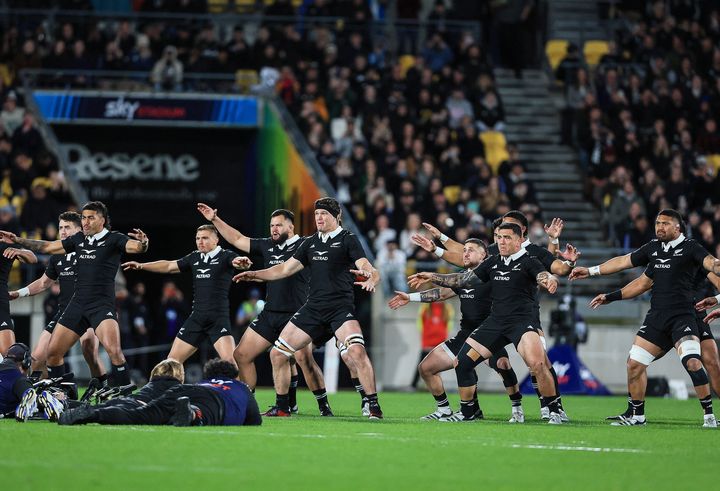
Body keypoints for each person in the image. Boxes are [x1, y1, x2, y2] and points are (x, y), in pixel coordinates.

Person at [416, 211, 576, 420]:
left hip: (523, 322)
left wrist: (550, 279)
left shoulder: (530, 259)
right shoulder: (492, 261)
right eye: (499, 237)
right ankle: (467, 413)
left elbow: (544, 273)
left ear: (520, 238)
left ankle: (553, 409)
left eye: (507, 237)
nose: (501, 241)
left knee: (538, 364)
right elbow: (463, 278)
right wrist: (433, 274)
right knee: (462, 362)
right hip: (495, 322)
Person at [234, 197, 384, 419]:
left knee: (356, 352)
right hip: (313, 309)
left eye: (323, 214)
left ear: (336, 216)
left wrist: (373, 275)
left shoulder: (347, 239)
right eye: (316, 214)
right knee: (277, 353)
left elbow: (366, 265)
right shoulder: (310, 243)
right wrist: (255, 275)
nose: (319, 218)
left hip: (339, 309)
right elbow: (283, 269)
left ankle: (373, 405)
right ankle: (283, 407)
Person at [572, 209, 720, 427]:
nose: (659, 227)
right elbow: (635, 274)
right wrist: (596, 277)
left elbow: (712, 267)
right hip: (659, 317)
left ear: (678, 227)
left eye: (665, 223)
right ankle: (636, 414)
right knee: (634, 364)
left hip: (691, 313)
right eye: (657, 222)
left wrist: (717, 298)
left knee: (709, 363)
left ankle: (709, 415)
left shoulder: (692, 250)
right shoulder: (655, 251)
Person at [196, 204, 336, 417]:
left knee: (302, 359)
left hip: (298, 314)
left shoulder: (307, 244)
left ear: (291, 226)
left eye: (279, 225)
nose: (274, 229)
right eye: (272, 225)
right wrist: (215, 219)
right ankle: (250, 403)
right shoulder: (267, 245)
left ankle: (323, 406)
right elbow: (237, 239)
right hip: (271, 313)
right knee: (241, 355)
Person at [0, 201, 149, 386]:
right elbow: (46, 247)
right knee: (51, 354)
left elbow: (136, 247)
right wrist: (18, 239)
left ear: (102, 220)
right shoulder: (76, 242)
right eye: (84, 217)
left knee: (112, 351)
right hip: (76, 305)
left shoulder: (114, 239)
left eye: (90, 218)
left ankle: (124, 397)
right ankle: (62, 394)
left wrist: (143, 243)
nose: (86, 221)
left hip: (100, 305)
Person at [393, 238, 525, 423]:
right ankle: (445, 410)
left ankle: (517, 408)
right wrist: (409, 297)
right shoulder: (462, 277)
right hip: (466, 334)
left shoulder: (492, 275)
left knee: (502, 365)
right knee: (426, 368)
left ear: (484, 255)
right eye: (464, 250)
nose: (466, 253)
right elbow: (441, 293)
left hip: (488, 334)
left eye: (471, 250)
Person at [122, 225, 240, 366]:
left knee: (230, 362)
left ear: (216, 240)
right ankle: (170, 388)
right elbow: (169, 266)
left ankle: (243, 389)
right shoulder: (194, 257)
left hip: (218, 319)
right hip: (197, 319)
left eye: (205, 238)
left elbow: (238, 262)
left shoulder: (226, 256)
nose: (200, 241)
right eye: (198, 238)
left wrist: (242, 263)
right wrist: (142, 266)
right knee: (171, 362)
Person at [9, 212, 105, 382]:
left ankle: (103, 387)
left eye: (67, 227)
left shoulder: (90, 250)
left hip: (86, 310)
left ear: (80, 229)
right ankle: (58, 392)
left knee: (89, 350)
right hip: (64, 311)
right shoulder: (57, 255)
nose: (62, 231)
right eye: (60, 227)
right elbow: (44, 283)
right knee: (37, 358)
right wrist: (19, 293)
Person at [59, 358, 262, 427]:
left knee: (141, 415)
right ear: (234, 376)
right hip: (213, 401)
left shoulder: (204, 382)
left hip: (184, 390)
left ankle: (93, 413)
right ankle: (191, 413)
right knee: (205, 413)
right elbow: (254, 420)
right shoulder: (239, 387)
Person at [0, 239, 37, 355]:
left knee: (10, 357)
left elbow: (32, 258)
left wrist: (18, 251)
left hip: (0, 306)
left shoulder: (5, 246)